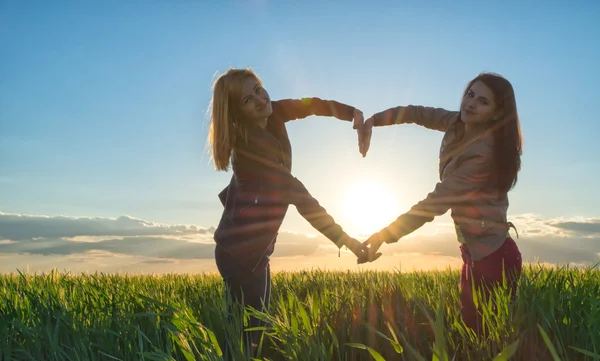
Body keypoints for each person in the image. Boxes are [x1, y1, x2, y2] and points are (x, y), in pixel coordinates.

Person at [207, 67, 377, 356]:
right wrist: (346, 240)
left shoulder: (272, 114)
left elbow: (310, 105)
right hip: (240, 255)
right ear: (236, 113)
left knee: (254, 334)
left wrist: (353, 114)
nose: (261, 100)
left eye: (258, 89)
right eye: (248, 100)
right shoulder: (250, 146)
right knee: (246, 340)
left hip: (252, 249)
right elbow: (299, 196)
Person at [358, 72, 523, 335]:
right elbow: (418, 113)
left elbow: (437, 202)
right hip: (474, 252)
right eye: (470, 94)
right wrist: (375, 120)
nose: (470, 104)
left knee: (489, 340)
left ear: (495, 113)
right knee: (473, 335)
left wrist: (384, 235)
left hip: (495, 257)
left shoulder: (483, 154)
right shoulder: (456, 123)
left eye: (483, 101)